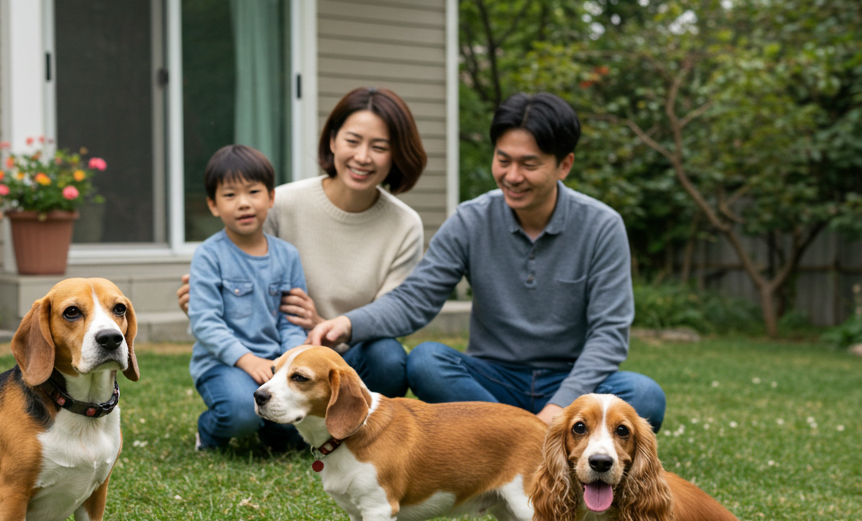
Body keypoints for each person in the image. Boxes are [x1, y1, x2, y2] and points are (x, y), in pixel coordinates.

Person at [309, 91, 666, 430]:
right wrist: (347, 324)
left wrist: (561, 404)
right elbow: (415, 299)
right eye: (503, 160)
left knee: (645, 396)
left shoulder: (601, 226)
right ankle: (526, 438)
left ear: (564, 165)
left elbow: (609, 335)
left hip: (571, 382)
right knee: (427, 362)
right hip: (491, 379)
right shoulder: (470, 219)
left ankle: (510, 438)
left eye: (529, 164)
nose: (512, 176)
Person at [179, 87, 428, 397]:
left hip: (345, 356)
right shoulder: (280, 203)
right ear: (333, 141)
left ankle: (351, 423)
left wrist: (325, 324)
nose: (362, 157)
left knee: (388, 357)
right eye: (352, 141)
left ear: (397, 153)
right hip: (278, 355)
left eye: (379, 147)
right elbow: (235, 267)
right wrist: (206, 298)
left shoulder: (405, 225)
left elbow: (392, 314)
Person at [188, 145, 308, 451]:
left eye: (253, 192)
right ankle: (210, 432)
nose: (243, 203)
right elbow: (204, 321)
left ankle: (272, 432)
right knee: (240, 413)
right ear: (213, 205)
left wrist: (288, 358)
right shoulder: (209, 255)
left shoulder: (287, 256)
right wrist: (247, 359)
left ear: (270, 197)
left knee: (297, 430)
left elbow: (291, 318)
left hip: (274, 364)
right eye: (229, 195)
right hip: (223, 364)